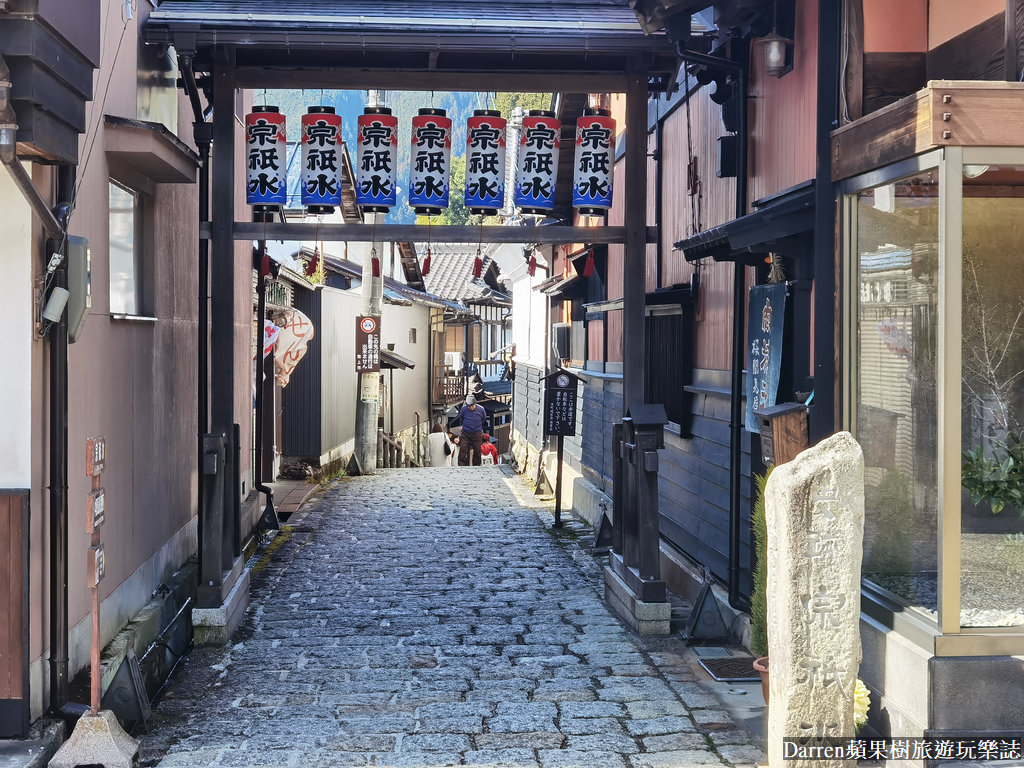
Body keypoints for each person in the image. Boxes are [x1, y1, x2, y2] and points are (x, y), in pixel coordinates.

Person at [457, 394, 487, 466]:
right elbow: (461, 418)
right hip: (465, 432)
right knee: (463, 449)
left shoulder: (481, 409)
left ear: (475, 404)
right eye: (469, 406)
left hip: (477, 432)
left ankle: (476, 465)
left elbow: (483, 419)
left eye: (472, 406)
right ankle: (461, 465)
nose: (470, 407)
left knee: (477, 450)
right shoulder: (464, 409)